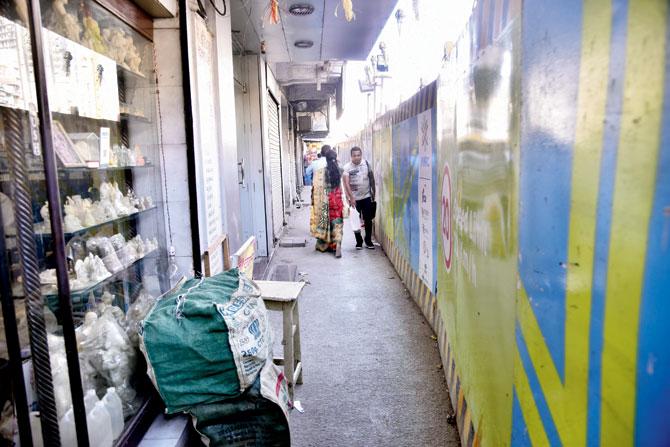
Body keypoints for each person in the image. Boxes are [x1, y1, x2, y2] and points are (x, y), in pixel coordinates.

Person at [310, 146, 344, 257]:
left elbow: (316, 187)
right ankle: (337, 244)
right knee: (337, 222)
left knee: (326, 222)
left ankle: (326, 245)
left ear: (326, 159)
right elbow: (340, 186)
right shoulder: (340, 170)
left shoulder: (322, 172)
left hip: (325, 199)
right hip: (337, 199)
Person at [343, 146, 376, 249]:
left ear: (361, 155)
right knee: (355, 221)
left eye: (358, 155)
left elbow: (371, 179)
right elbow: (346, 183)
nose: (356, 157)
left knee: (368, 219)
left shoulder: (366, 164)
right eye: (354, 156)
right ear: (351, 156)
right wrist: (351, 198)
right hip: (354, 199)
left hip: (366, 196)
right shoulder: (347, 167)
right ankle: (359, 241)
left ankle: (368, 240)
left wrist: (373, 193)